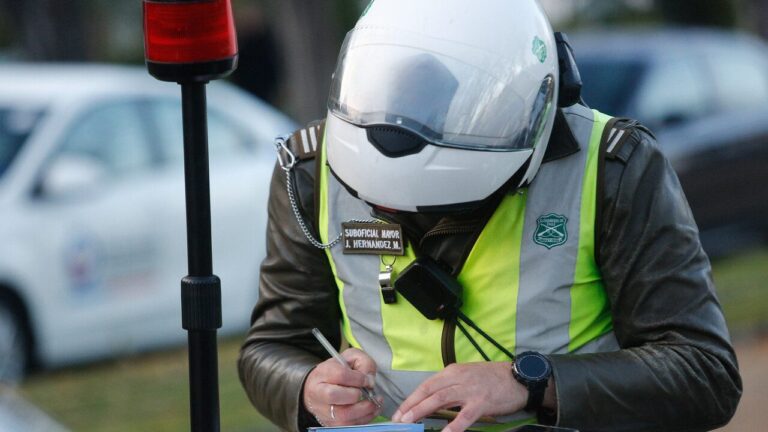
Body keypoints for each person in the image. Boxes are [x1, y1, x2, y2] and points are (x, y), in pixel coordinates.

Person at [238, 1, 742, 431]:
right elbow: (272, 347)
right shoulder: (312, 168)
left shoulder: (614, 166)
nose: (410, 221)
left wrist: (531, 383)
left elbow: (704, 373)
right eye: (380, 205)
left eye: (450, 206)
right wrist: (309, 388)